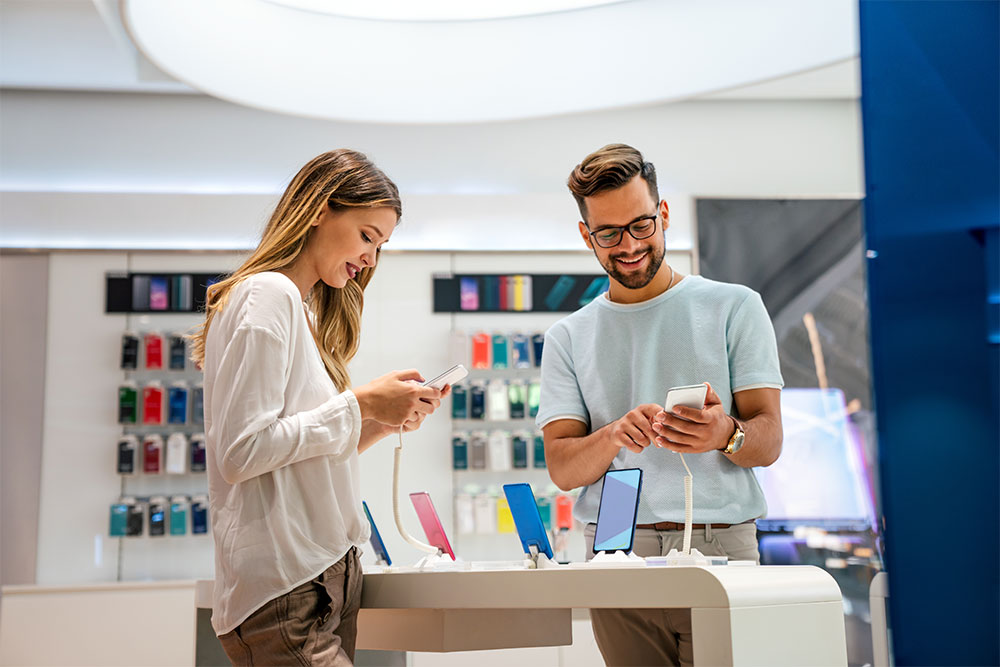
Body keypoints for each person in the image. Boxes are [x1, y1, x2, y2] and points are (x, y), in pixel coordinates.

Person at [189, 149, 447, 666]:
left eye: (382, 245)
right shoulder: (268, 294)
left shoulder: (299, 311)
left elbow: (296, 449)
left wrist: (376, 419)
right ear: (319, 209)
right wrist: (361, 403)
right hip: (289, 588)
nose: (371, 258)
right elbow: (242, 451)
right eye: (367, 235)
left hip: (320, 581)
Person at [536, 143, 784, 666]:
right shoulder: (567, 336)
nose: (628, 245)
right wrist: (611, 435)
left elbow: (769, 440)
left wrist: (726, 434)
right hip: (616, 549)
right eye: (608, 233)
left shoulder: (734, 306)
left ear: (663, 214)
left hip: (722, 545)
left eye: (641, 225)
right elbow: (561, 467)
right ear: (587, 236)